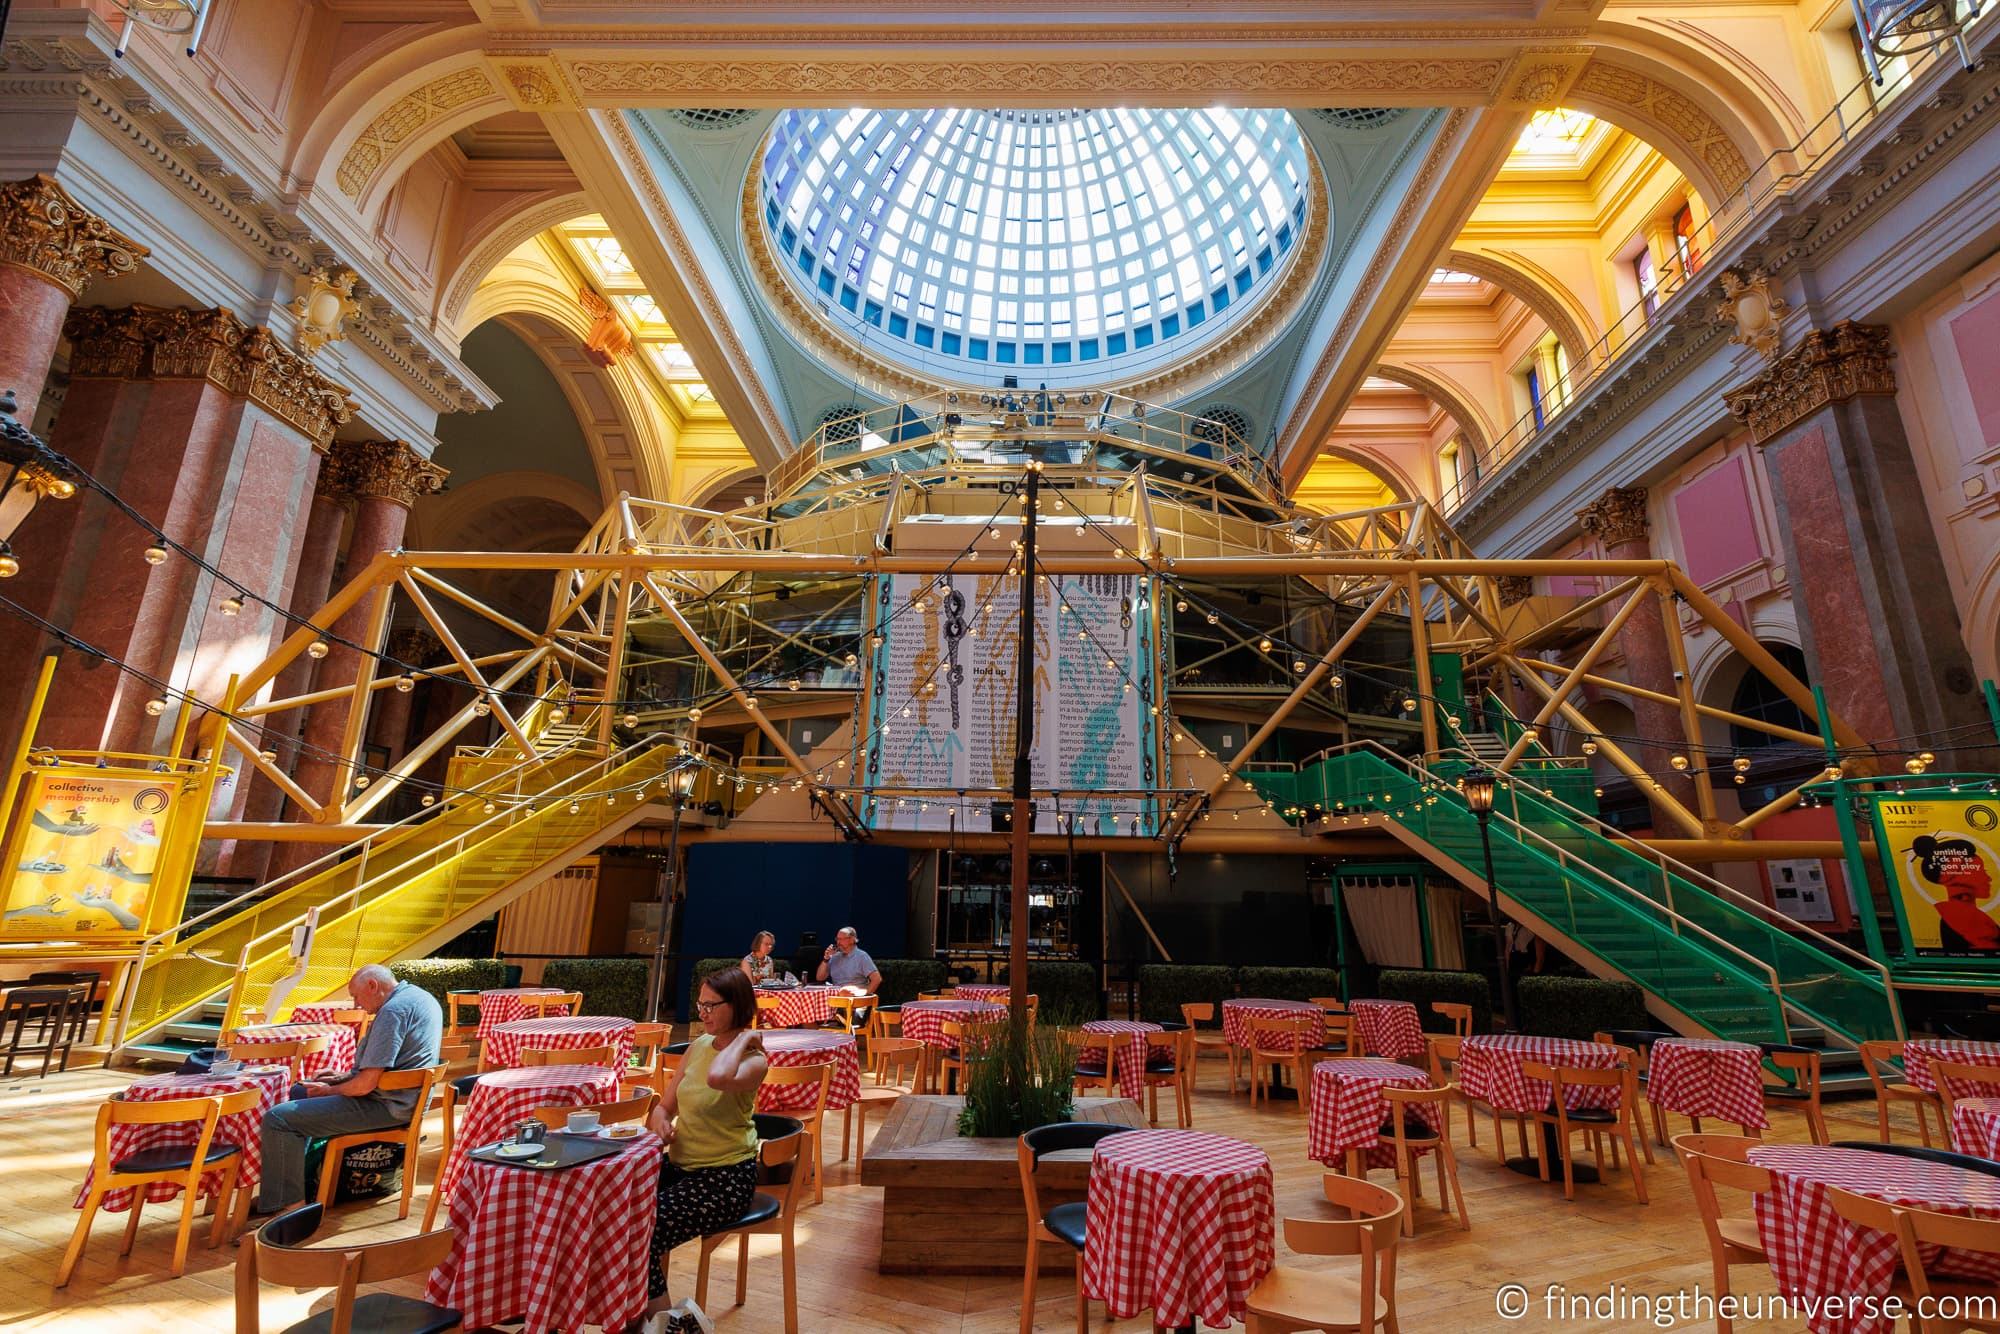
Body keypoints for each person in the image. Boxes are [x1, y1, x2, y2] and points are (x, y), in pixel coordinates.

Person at [255, 963, 441, 1214]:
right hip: (405, 1101)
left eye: (356, 996)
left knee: (278, 1118)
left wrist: (326, 1090)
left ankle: (290, 1205)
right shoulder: (420, 997)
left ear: (373, 986)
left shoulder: (392, 1012)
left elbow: (364, 1086)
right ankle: (295, 1189)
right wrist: (339, 1078)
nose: (356, 1005)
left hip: (386, 1107)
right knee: (298, 1095)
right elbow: (389, 1069)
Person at [641, 966, 768, 1331]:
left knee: (645, 1230)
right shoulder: (697, 1047)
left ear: (738, 1005)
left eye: (712, 1006)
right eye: (701, 1005)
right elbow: (664, 1106)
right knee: (618, 1212)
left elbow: (718, 1077)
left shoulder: (754, 1060)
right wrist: (661, 1122)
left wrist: (745, 1038)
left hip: (725, 1176)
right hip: (681, 1166)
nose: (704, 1013)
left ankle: (671, 1327)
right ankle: (641, 1320)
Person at [1913, 834, 2000, 951]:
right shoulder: (1959, 918)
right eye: (1981, 870)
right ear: (1946, 876)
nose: (1988, 878)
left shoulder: (1962, 914)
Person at [815, 926, 881, 993]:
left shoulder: (862, 956)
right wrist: (826, 959)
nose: (838, 942)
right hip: (837, 998)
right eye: (837, 939)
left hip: (855, 999)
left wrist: (864, 995)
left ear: (852, 940)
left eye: (841, 939)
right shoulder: (835, 956)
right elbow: (820, 978)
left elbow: (877, 979)